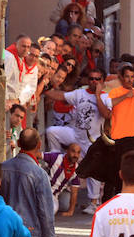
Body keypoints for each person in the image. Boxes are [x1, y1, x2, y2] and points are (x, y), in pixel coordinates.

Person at [43, 67, 111, 214]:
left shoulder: (106, 97)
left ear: (102, 81)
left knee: (94, 170)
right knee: (52, 132)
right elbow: (62, 96)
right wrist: (44, 89)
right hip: (76, 135)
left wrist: (98, 95)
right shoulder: (80, 93)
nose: (93, 81)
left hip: (92, 141)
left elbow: (106, 114)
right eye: (91, 78)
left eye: (97, 79)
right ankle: (56, 161)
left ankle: (94, 202)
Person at [43, 144, 82, 216]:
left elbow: (74, 192)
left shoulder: (76, 169)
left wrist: (71, 211)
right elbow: (38, 155)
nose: (75, 155)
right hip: (43, 190)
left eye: (78, 152)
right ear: (67, 151)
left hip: (55, 194)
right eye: (73, 151)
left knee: (61, 207)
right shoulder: (56, 157)